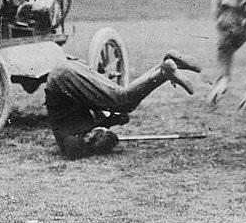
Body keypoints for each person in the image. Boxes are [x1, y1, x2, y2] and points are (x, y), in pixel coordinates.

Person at [45, 48, 201, 159]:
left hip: (62, 80)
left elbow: (75, 147)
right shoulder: (83, 129)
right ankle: (168, 62)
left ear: (88, 139)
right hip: (66, 75)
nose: (96, 133)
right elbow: (97, 114)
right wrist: (113, 121)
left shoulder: (72, 144)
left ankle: (162, 73)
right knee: (123, 97)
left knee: (123, 101)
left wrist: (103, 131)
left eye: (94, 136)